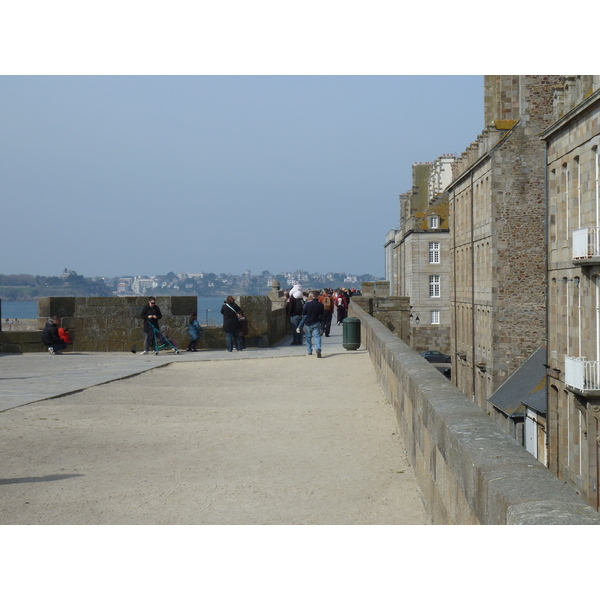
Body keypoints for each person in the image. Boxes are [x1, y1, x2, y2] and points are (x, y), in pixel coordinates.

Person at [297, 292, 325, 357]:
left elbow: (303, 313)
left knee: (308, 337)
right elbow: (322, 314)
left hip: (308, 323)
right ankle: (318, 348)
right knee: (317, 336)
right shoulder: (320, 305)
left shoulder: (307, 304)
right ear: (318, 296)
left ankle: (309, 351)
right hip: (316, 322)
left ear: (312, 296)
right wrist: (323, 325)